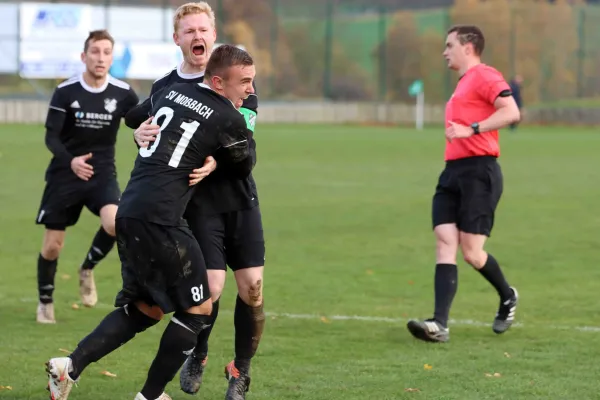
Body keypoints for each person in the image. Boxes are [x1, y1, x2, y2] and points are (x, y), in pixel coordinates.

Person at [44, 44, 256, 400]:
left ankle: (70, 366)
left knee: (147, 308)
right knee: (200, 307)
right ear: (218, 82)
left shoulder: (171, 90)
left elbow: (134, 115)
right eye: (244, 83)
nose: (250, 90)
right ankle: (151, 396)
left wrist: (141, 129)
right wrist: (218, 156)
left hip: (129, 211)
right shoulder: (228, 116)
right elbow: (244, 164)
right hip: (161, 219)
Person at [124, 3, 264, 398]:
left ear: (213, 33)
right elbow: (142, 124)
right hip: (197, 205)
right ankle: (198, 352)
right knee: (211, 289)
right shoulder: (166, 87)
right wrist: (138, 135)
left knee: (253, 286)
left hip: (239, 196)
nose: (197, 36)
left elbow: (246, 139)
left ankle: (240, 370)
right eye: (189, 31)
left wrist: (216, 160)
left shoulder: (237, 77)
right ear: (178, 39)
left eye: (203, 29)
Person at [406, 25, 521, 343]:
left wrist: (472, 129)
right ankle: (439, 324)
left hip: (479, 173)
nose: (445, 52)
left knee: (471, 252)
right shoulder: (462, 83)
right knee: (444, 240)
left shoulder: (485, 75)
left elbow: (511, 111)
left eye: (449, 45)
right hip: (452, 172)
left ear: (468, 47)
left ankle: (507, 295)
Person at [35, 29, 139, 323]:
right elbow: (51, 138)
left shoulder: (123, 93)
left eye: (107, 52)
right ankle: (45, 302)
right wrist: (71, 161)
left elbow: (143, 122)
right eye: (95, 51)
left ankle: (87, 267)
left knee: (115, 223)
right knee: (53, 245)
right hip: (64, 174)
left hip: (102, 173)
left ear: (112, 57)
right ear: (84, 56)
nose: (101, 58)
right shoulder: (66, 91)